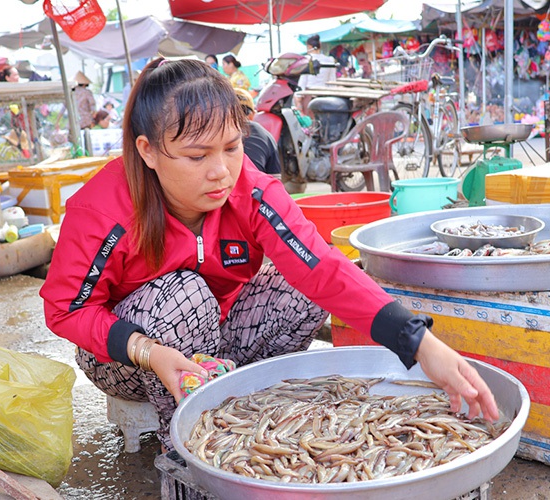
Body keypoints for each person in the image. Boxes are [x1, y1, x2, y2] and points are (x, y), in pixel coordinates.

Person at [40, 58, 499, 452]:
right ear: (149, 152)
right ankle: (183, 441)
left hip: (213, 335)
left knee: (299, 291)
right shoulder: (102, 209)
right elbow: (65, 310)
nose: (221, 171)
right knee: (185, 294)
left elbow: (322, 268)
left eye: (231, 147)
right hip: (126, 358)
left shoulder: (253, 192)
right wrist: (148, 351)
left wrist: (419, 342)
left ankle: (242, 411)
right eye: (197, 156)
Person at [233, 88, 280, 175]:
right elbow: (275, 178)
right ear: (252, 114)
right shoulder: (264, 134)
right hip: (256, 186)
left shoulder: (214, 131)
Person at [295, 34, 338, 114]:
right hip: (325, 95)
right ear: (320, 45)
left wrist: (298, 99)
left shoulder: (307, 60)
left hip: (310, 96)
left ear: (309, 46)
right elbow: (332, 81)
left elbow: (303, 82)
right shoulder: (329, 60)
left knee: (310, 123)